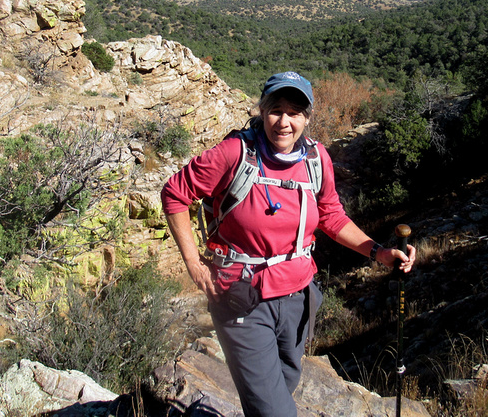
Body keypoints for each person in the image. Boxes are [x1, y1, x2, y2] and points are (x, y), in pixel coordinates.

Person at [161, 71, 416, 417]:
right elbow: (175, 193)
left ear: (307, 118)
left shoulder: (315, 159)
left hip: (299, 297)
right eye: (276, 109)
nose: (284, 121)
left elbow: (331, 216)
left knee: (284, 384)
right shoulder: (236, 152)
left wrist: (377, 252)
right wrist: (193, 263)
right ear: (262, 110)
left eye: (295, 112)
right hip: (243, 297)